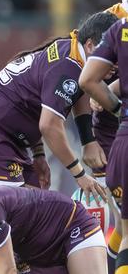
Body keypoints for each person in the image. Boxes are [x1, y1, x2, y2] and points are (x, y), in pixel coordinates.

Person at [0, 12, 117, 204]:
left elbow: (64, 96)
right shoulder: (68, 66)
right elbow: (48, 125)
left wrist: (39, 153)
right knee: (23, 214)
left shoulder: (72, 53)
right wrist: (79, 174)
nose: (116, 62)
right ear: (89, 45)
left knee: (38, 218)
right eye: (111, 54)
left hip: (7, 143)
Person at [79, 15, 128, 274]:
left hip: (120, 135)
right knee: (122, 225)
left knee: (124, 227)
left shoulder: (119, 27)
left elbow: (90, 81)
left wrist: (114, 95)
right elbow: (89, 85)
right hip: (112, 136)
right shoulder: (114, 23)